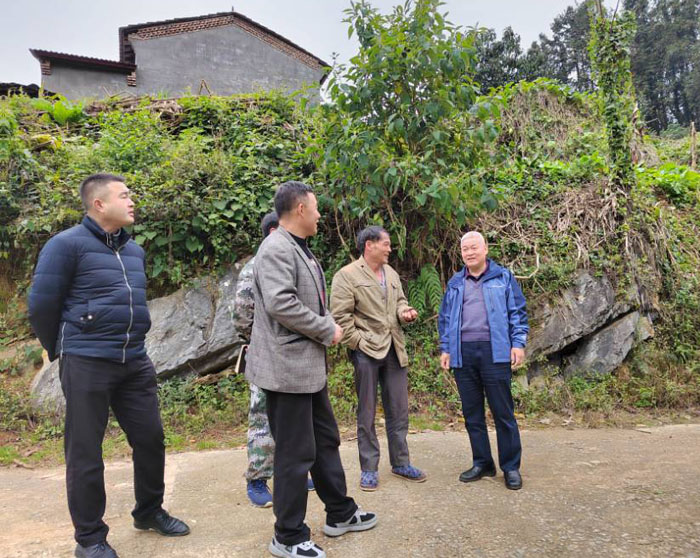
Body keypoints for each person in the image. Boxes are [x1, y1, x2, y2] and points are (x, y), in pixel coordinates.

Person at [27, 174, 189, 558]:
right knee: (85, 451)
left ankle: (148, 511)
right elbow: (42, 305)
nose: (132, 202)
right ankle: (89, 538)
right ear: (99, 204)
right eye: (125, 195)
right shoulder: (65, 245)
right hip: (86, 361)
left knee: (150, 438)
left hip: (133, 359)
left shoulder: (134, 251)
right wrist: (62, 349)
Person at [246, 181, 377, 558]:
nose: (320, 215)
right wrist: (326, 328)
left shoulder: (298, 246)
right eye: (316, 208)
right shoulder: (276, 248)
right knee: (294, 454)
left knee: (324, 442)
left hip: (306, 370)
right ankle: (287, 536)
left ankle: (340, 512)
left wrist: (325, 324)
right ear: (300, 209)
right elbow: (281, 304)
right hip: (286, 371)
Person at [330, 226, 426, 491]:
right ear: (369, 245)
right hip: (366, 353)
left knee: (399, 409)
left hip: (394, 349)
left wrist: (405, 312)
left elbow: (400, 301)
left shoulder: (391, 273)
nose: (390, 249)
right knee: (367, 411)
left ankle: (401, 462)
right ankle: (369, 469)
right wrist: (359, 344)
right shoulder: (346, 275)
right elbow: (340, 318)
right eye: (386, 244)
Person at [232, 211, 314, 508]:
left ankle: (292, 473)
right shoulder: (255, 267)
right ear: (272, 232)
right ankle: (257, 479)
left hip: (293, 355)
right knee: (262, 417)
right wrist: (256, 342)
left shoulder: (296, 261)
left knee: (293, 419)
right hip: (265, 356)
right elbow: (242, 314)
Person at [437, 231, 529, 491]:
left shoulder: (503, 277)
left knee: (503, 412)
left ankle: (510, 467)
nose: (469, 252)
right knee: (472, 413)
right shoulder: (456, 282)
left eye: (474, 247)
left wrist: (518, 343)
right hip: (463, 353)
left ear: (485, 249)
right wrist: (446, 349)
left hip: (495, 352)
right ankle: (482, 462)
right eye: (465, 249)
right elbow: (445, 318)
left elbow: (517, 312)